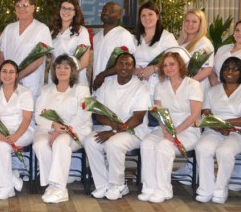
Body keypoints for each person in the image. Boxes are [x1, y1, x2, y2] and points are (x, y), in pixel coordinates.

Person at [138, 48, 203, 204]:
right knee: (146, 143)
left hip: (188, 131)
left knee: (164, 146)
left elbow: (195, 115)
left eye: (172, 64)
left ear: (180, 65)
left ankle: (163, 189)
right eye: (165, 65)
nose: (168, 68)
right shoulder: (160, 86)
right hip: (165, 129)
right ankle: (149, 187)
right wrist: (166, 130)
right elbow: (159, 112)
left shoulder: (193, 84)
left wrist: (174, 133)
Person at [83, 51, 150, 200]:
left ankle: (118, 184)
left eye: (128, 64)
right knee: (90, 141)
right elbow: (97, 112)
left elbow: (138, 118)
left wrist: (113, 131)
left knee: (114, 143)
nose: (124, 67)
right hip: (109, 128)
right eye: (120, 63)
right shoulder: (107, 85)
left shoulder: (141, 88)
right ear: (116, 66)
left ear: (133, 68)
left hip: (134, 132)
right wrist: (110, 125)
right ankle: (102, 184)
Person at [194, 57, 241, 204]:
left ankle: (220, 190)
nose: (230, 71)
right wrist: (218, 126)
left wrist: (226, 124)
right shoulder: (213, 90)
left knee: (224, 151)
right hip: (215, 130)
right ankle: (205, 189)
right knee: (202, 147)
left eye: (234, 68)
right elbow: (206, 113)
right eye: (226, 68)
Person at [32, 55, 92, 204]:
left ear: (73, 71)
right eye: (58, 67)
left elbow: (84, 115)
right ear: (54, 70)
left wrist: (62, 130)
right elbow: (38, 116)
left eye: (66, 67)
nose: (62, 70)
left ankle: (60, 188)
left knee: (60, 143)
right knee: (39, 144)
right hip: (49, 129)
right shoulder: (46, 90)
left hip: (76, 130)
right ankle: (51, 185)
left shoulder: (82, 90)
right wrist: (53, 126)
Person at [0, 61, 35, 200]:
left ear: (16, 75)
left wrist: (15, 136)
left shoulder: (25, 92)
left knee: (2, 146)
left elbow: (27, 119)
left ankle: (5, 185)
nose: (7, 75)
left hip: (23, 131)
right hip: (1, 130)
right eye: (4, 71)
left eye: (11, 72)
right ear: (0, 73)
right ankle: (9, 180)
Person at [0, 0, 53, 100]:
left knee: (29, 113)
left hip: (31, 82)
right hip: (9, 82)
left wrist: (19, 75)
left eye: (25, 5)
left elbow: (39, 60)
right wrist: (6, 74)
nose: (21, 9)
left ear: (33, 8)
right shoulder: (9, 28)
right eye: (18, 6)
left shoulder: (42, 29)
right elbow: (1, 54)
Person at [133, 2, 178, 94]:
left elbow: (176, 60)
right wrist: (133, 70)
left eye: (150, 14)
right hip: (136, 83)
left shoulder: (167, 37)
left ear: (157, 17)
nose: (147, 18)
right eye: (143, 15)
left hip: (159, 83)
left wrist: (154, 68)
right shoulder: (134, 37)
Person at [91, 2, 137, 91]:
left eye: (111, 11)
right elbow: (95, 63)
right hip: (97, 87)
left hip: (115, 87)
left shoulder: (124, 35)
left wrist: (103, 75)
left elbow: (127, 65)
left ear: (119, 16)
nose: (106, 12)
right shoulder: (97, 37)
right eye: (104, 10)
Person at [51, 0, 92, 87]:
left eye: (70, 9)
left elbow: (84, 62)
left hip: (75, 80)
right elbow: (53, 60)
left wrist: (67, 76)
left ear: (75, 13)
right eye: (64, 8)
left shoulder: (82, 31)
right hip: (56, 80)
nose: (66, 11)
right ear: (59, 10)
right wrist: (57, 77)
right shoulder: (53, 32)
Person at [179, 9, 215, 88]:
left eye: (194, 22)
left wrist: (187, 84)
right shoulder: (180, 42)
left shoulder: (204, 44)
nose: (189, 24)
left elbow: (207, 70)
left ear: (201, 24)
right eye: (187, 21)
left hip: (194, 87)